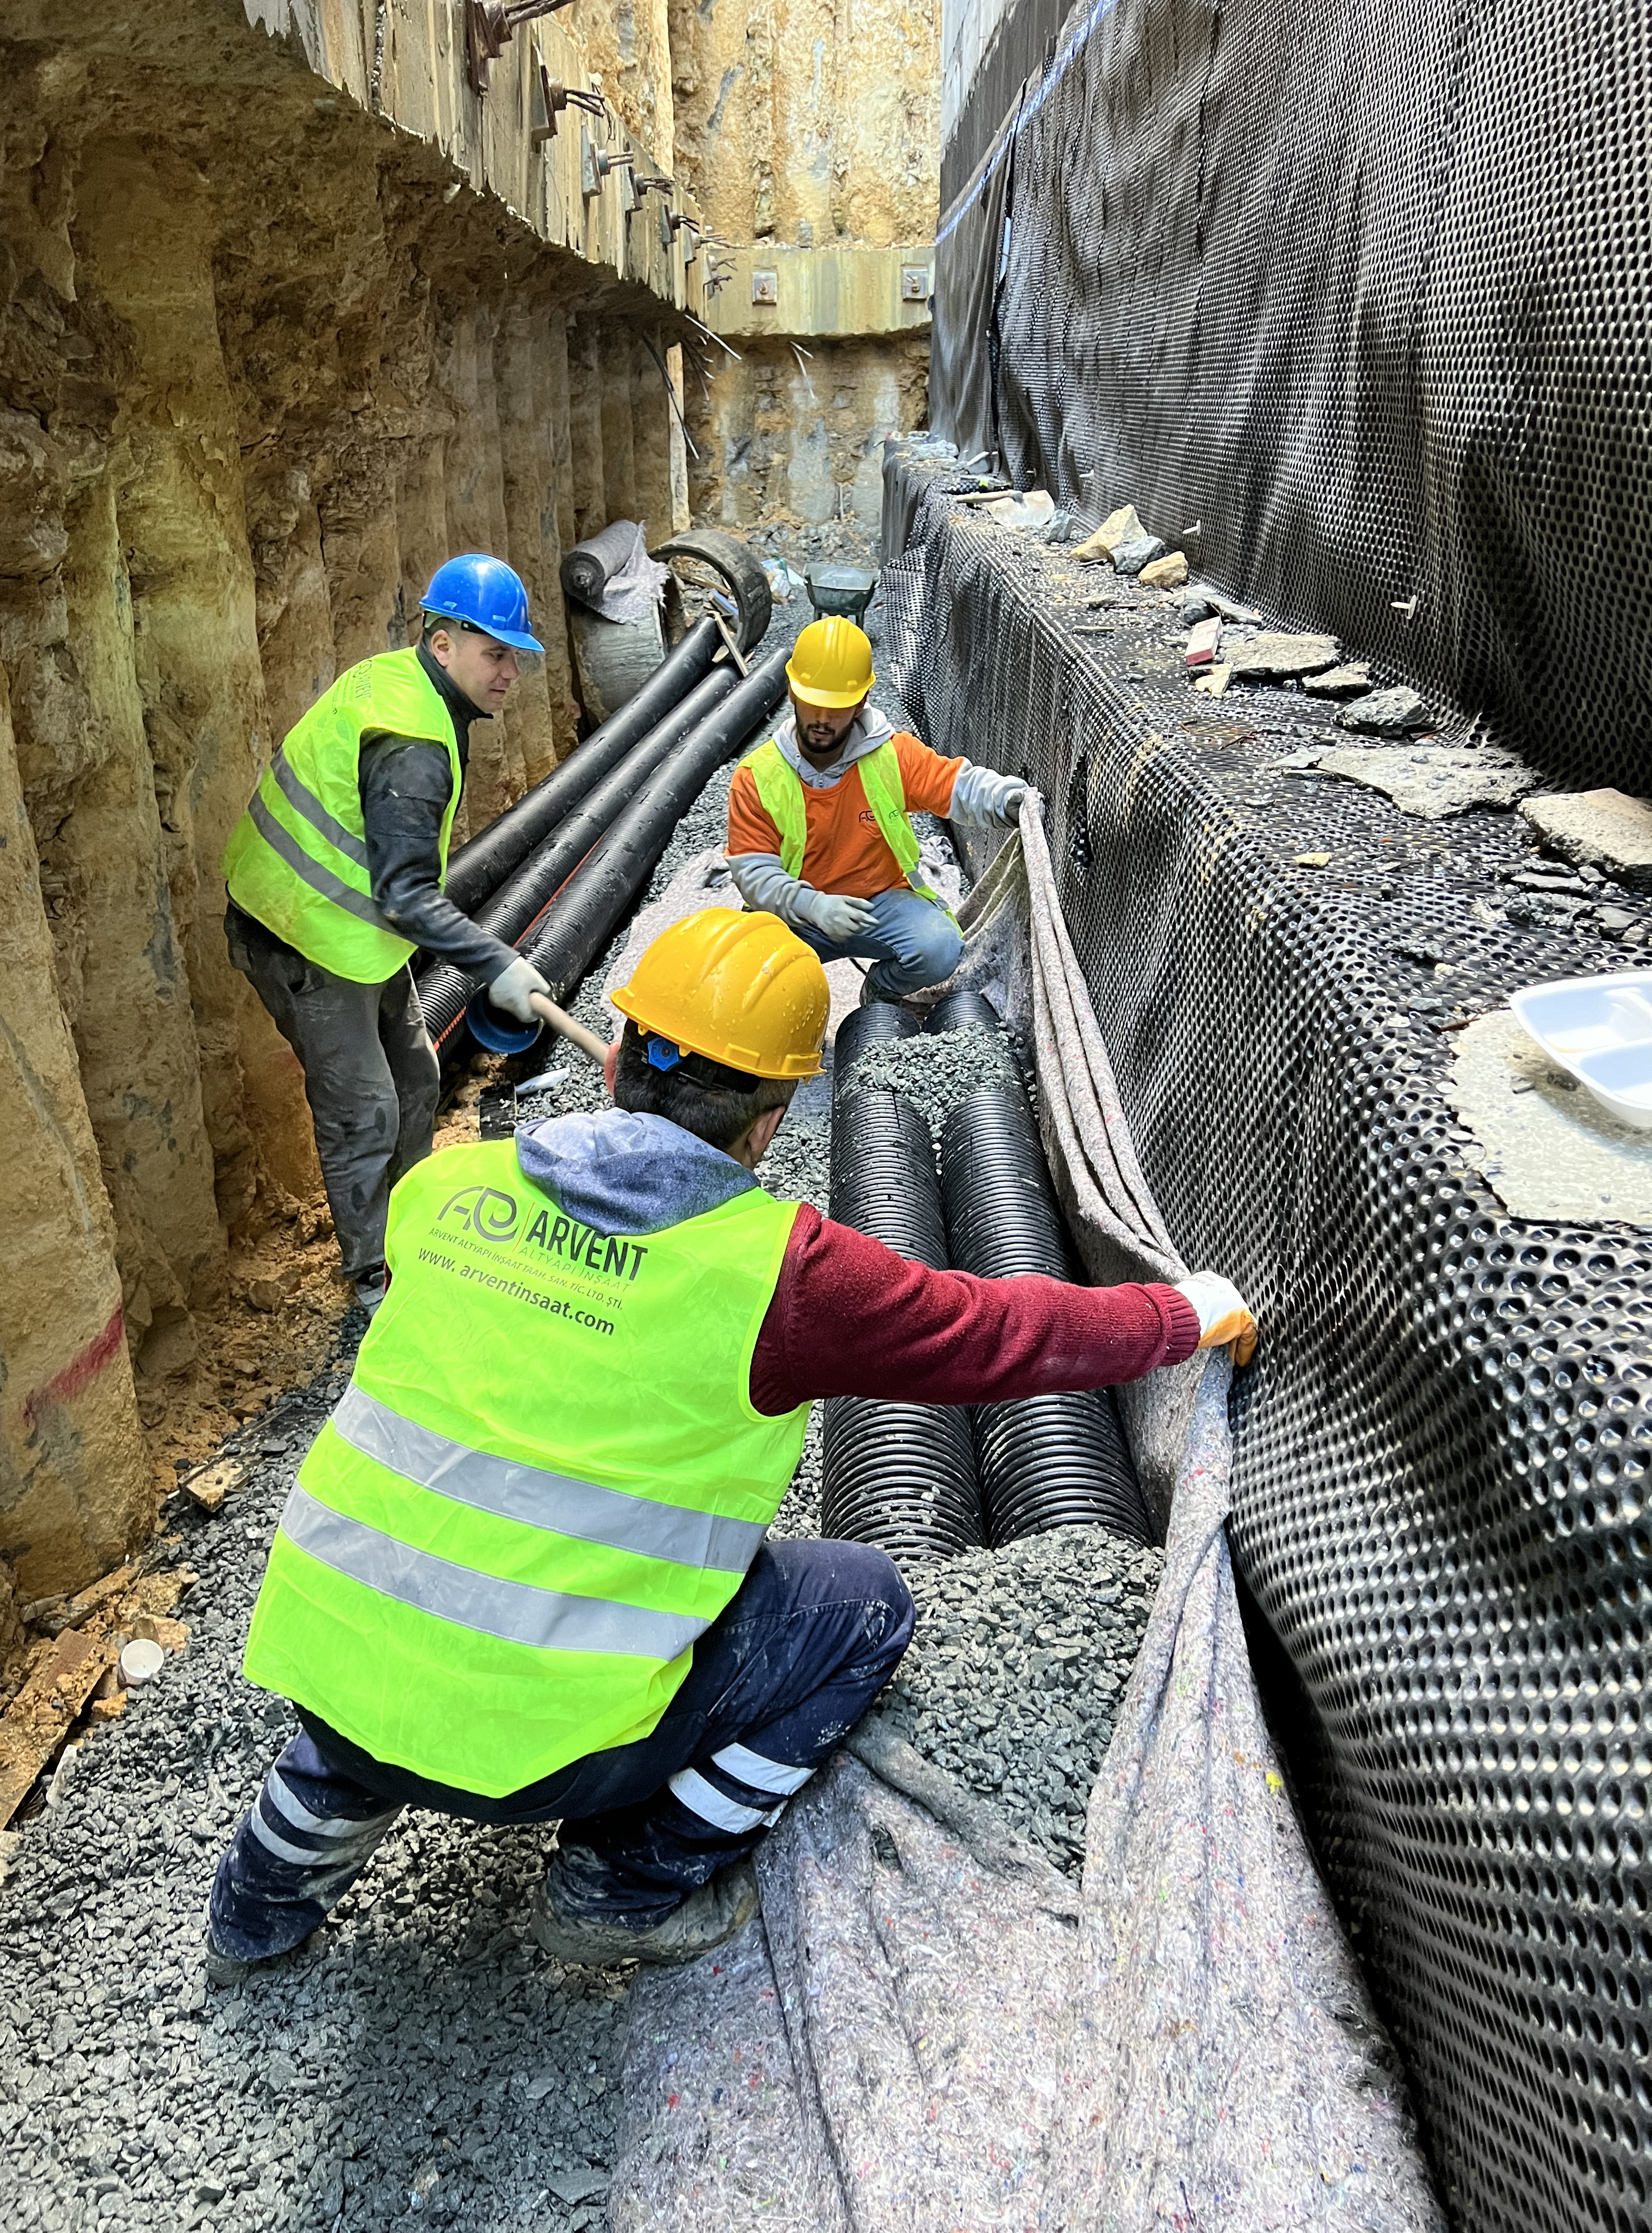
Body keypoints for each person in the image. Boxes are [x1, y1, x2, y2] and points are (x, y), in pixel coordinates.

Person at [206, 909, 1257, 1982]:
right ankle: (623, 1884)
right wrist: (1182, 1315)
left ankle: (254, 1910)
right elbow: (999, 1334)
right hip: (546, 1753)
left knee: (377, 1674)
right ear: (770, 1120)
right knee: (860, 1609)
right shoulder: (783, 1280)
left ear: (614, 1059)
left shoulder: (441, 1194)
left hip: (327, 1666)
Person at [221, 553, 553, 1310]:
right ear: (444, 645)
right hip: (300, 930)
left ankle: (412, 1230)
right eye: (495, 654)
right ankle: (375, 1277)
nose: (509, 673)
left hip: (351, 928)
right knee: (363, 1107)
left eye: (515, 657)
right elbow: (405, 893)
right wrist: (495, 963)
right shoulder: (412, 742)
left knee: (417, 1078)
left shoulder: (408, 687)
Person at [726, 614, 1027, 1002]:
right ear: (792, 694)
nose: (821, 719)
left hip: (880, 904)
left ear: (861, 703)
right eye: (812, 703)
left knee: (938, 948)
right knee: (745, 973)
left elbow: (957, 785)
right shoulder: (757, 777)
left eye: (836, 708)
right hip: (795, 913)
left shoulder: (892, 755)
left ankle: (880, 997)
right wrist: (813, 905)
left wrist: (1006, 799)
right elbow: (754, 874)